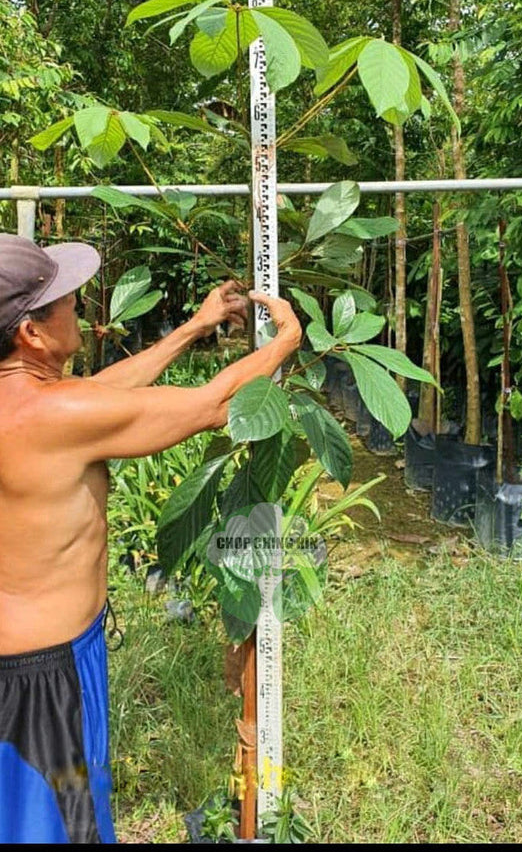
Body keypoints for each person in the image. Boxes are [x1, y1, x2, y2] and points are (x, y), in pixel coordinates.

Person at [0, 232, 301, 844]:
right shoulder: (57, 415)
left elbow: (102, 394)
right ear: (31, 332)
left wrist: (194, 328)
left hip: (19, 662)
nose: (79, 307)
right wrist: (286, 344)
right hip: (43, 680)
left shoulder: (35, 403)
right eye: (65, 300)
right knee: (61, 831)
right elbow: (214, 405)